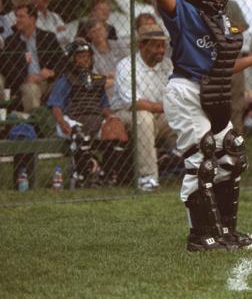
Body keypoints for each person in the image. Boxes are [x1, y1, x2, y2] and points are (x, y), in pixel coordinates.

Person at [155, 0, 252, 252]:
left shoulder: (218, 17)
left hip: (212, 89)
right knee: (202, 160)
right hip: (186, 91)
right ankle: (199, 235)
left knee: (232, 155)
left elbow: (222, 66)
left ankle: (224, 230)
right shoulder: (184, 11)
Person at [47, 39, 127, 187]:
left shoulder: (96, 80)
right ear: (72, 59)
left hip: (94, 118)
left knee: (117, 130)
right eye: (80, 57)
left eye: (87, 57)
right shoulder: (66, 80)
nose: (84, 60)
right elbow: (56, 106)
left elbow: (104, 106)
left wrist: (110, 118)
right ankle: (82, 176)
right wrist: (62, 122)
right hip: (71, 119)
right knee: (80, 135)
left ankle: (106, 174)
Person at [111, 23, 176, 192]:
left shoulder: (167, 65)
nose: (161, 50)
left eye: (163, 45)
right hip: (126, 115)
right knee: (143, 117)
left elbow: (176, 96)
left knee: (189, 115)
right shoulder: (126, 66)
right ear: (142, 45)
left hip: (160, 113)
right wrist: (166, 107)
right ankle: (147, 178)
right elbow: (134, 103)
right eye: (156, 46)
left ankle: (198, 170)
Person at [0, 4, 64, 112]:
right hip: (26, 82)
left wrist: (52, 72)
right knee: (31, 90)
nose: (17, 20)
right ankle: (35, 124)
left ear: (32, 19)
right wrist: (27, 78)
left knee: (63, 84)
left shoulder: (47, 37)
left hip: (48, 82)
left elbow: (63, 61)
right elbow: (8, 69)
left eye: (21, 17)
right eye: (17, 17)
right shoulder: (11, 41)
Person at [85, 18, 128, 100]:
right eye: (94, 32)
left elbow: (132, 69)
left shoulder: (119, 45)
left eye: (100, 29)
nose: (98, 33)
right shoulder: (88, 53)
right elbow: (95, 81)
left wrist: (110, 77)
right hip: (106, 95)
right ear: (89, 35)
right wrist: (118, 77)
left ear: (106, 31)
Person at [225, 0, 249, 135]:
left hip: (233, 58)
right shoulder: (197, 3)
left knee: (236, 105)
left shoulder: (231, 4)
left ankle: (235, 141)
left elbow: (242, 27)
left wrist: (228, 27)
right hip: (210, 60)